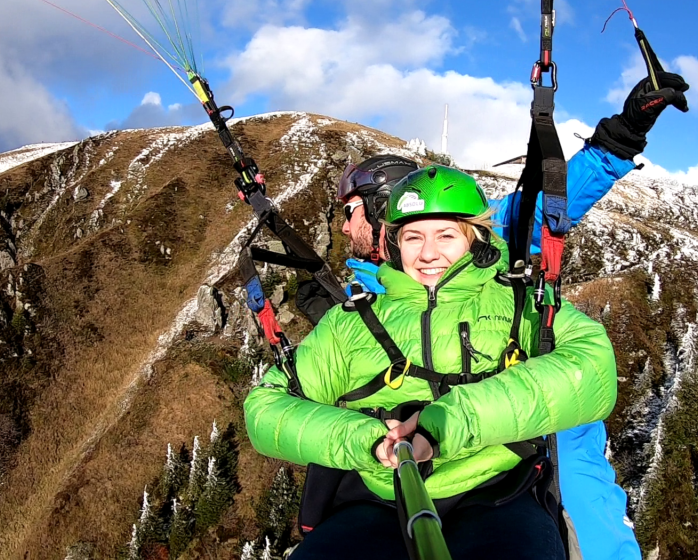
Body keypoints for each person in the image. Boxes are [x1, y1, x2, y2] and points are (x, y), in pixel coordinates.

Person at [293, 72, 688, 559]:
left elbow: (547, 205)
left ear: (379, 210)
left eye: (349, 209)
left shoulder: (480, 241)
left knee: (587, 522)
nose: (343, 223)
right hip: (402, 475)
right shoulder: (360, 286)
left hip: (524, 432)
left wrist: (621, 136)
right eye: (414, 237)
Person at [246, 164, 619, 559]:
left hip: (496, 489)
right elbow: (265, 407)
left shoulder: (520, 304)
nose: (427, 254)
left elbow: (592, 367)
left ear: (474, 238)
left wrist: (453, 421)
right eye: (413, 237)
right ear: (394, 243)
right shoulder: (349, 323)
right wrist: (363, 440)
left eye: (445, 235)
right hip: (377, 498)